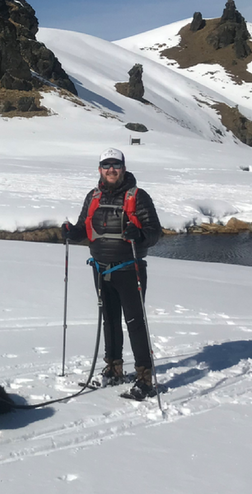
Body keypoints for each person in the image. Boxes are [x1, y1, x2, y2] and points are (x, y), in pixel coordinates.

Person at [62, 148, 163, 400]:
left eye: (115, 165)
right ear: (99, 169)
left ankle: (144, 379)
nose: (111, 169)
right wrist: (70, 233)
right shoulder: (93, 196)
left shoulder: (138, 197)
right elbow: (84, 228)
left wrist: (139, 235)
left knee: (135, 323)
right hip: (100, 269)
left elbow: (155, 232)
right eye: (106, 165)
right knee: (109, 321)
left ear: (123, 168)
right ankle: (114, 369)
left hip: (130, 269)